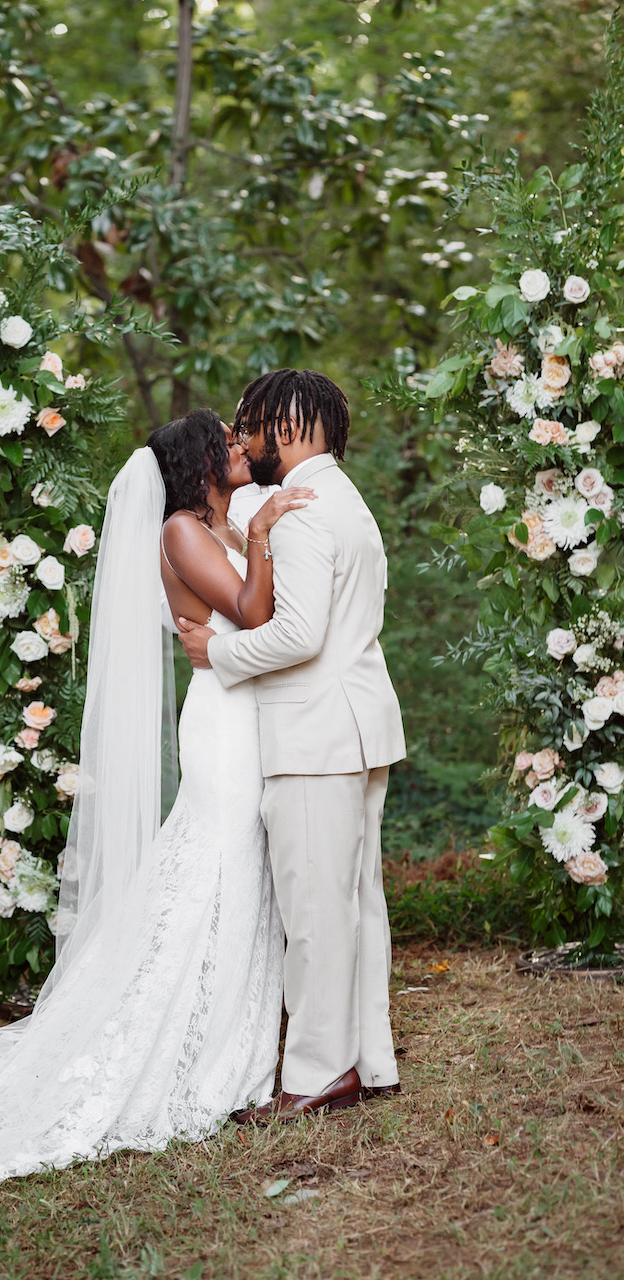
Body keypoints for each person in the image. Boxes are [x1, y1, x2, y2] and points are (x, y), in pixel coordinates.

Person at [0, 408, 312, 1199]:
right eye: (226, 442)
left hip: (252, 711)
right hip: (224, 725)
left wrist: (261, 535)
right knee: (219, 867)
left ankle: (234, 1030)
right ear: (197, 461)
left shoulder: (221, 528)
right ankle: (188, 1049)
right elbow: (255, 616)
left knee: (241, 870)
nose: (241, 449)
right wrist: (263, 533)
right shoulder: (182, 531)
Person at [179, 369, 406, 1121]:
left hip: (314, 732)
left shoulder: (302, 513)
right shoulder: (345, 499)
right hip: (354, 724)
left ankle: (313, 1074)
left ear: (283, 427)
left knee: (314, 912)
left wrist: (220, 653)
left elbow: (299, 635)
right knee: (352, 902)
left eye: (250, 425)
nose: (243, 440)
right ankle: (367, 1061)